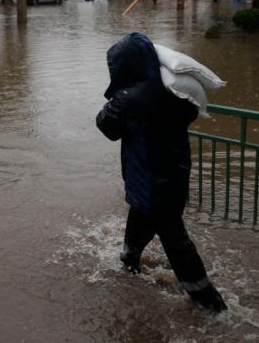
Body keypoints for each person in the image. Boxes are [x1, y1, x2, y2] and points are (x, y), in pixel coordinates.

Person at [96, 32, 227, 312]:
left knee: (175, 241)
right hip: (175, 174)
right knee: (139, 224)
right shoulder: (173, 91)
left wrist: (117, 95)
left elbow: (106, 126)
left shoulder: (130, 98)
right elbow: (189, 115)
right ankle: (129, 265)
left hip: (150, 182)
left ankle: (210, 304)